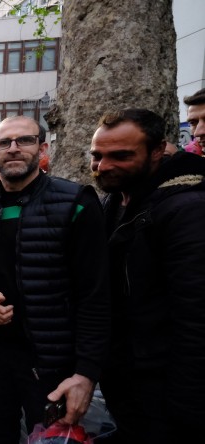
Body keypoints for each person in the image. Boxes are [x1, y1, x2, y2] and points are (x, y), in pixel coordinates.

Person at [0, 116, 110, 443]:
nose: (14, 149)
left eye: (25, 140)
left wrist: (86, 373)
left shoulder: (75, 202)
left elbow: (96, 295)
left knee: (52, 438)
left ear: (42, 148)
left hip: (51, 359)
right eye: (4, 143)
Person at [90, 107, 205, 443]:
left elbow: (196, 319)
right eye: (97, 155)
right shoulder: (114, 200)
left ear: (157, 151)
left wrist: (188, 408)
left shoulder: (188, 209)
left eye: (121, 155)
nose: (104, 165)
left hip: (166, 390)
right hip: (129, 379)